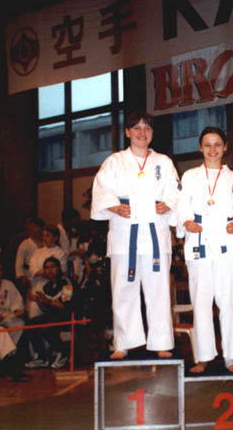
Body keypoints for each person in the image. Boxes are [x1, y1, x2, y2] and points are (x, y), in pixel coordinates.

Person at [90, 110, 179, 360]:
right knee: (123, 289)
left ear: (152, 133)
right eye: (136, 128)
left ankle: (161, 341)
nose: (142, 133)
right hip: (124, 232)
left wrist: (168, 204)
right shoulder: (115, 161)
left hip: (154, 233)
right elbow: (101, 189)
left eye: (147, 128)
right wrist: (114, 206)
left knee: (158, 289)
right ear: (127, 132)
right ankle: (124, 341)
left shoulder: (163, 162)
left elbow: (175, 191)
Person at [176, 126, 233, 373]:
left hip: (227, 244)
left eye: (217, 144)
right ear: (200, 147)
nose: (212, 149)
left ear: (225, 147)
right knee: (201, 301)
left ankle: (231, 356)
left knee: (228, 302)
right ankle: (204, 356)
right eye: (207, 144)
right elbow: (181, 205)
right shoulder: (189, 176)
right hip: (199, 241)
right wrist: (186, 221)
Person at [24, 257, 77, 369]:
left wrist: (47, 300)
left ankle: (63, 354)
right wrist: (38, 300)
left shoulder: (67, 282)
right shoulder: (47, 287)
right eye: (47, 268)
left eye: (52, 267)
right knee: (30, 324)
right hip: (53, 315)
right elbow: (46, 309)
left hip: (68, 314)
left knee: (48, 328)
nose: (50, 270)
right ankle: (42, 357)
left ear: (58, 268)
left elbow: (64, 305)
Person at [25, 224, 67, 319]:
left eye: (48, 235)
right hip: (38, 287)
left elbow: (64, 306)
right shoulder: (37, 252)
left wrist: (41, 272)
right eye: (43, 235)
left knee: (55, 315)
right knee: (34, 317)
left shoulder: (60, 253)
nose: (44, 238)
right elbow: (32, 270)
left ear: (55, 237)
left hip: (56, 291)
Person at [15, 217, 44, 292]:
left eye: (34, 226)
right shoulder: (25, 244)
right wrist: (22, 277)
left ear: (40, 228)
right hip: (29, 275)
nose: (31, 229)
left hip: (44, 275)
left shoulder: (46, 243)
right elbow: (18, 264)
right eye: (30, 227)